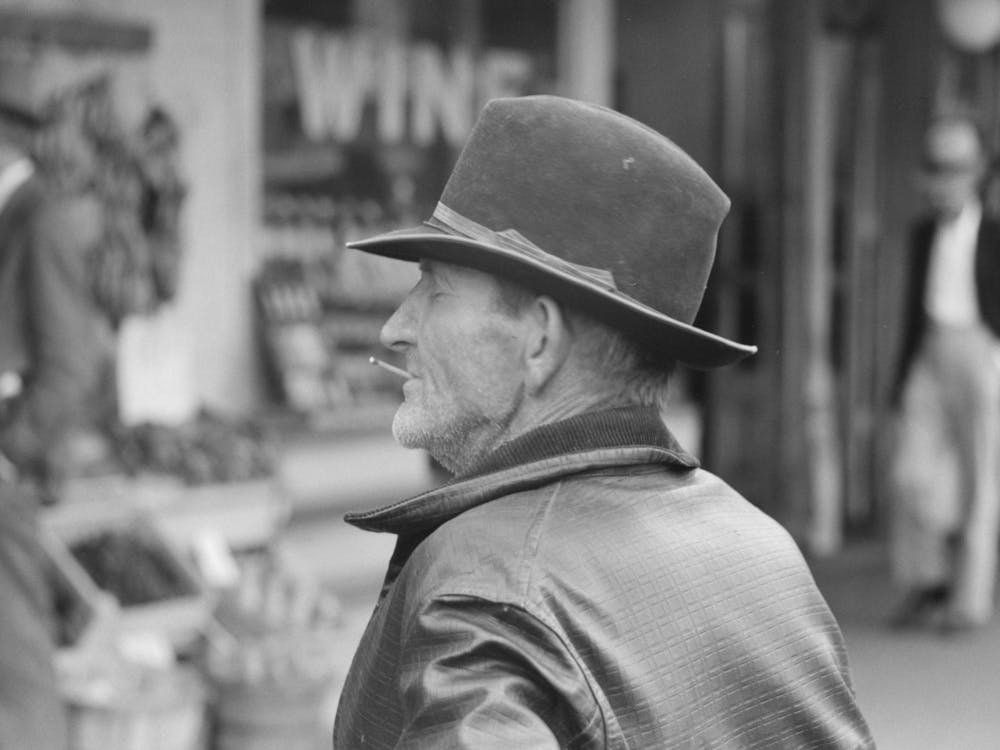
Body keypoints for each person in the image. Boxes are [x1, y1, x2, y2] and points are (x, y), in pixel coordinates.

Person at [333, 96, 873, 748]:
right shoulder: (762, 548)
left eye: (435, 290)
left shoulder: (484, 583)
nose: (396, 327)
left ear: (539, 339)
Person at [0, 93, 103, 748]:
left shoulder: (40, 218)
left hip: (6, 467)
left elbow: (70, 365)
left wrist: (10, 451)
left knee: (15, 658)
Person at [887, 114, 1000, 634]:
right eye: (936, 167)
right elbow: (911, 313)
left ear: (977, 171)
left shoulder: (994, 234)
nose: (945, 179)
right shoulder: (922, 233)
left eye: (955, 167)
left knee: (982, 479)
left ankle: (969, 602)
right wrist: (900, 378)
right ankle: (925, 581)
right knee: (910, 472)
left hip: (981, 349)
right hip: (930, 352)